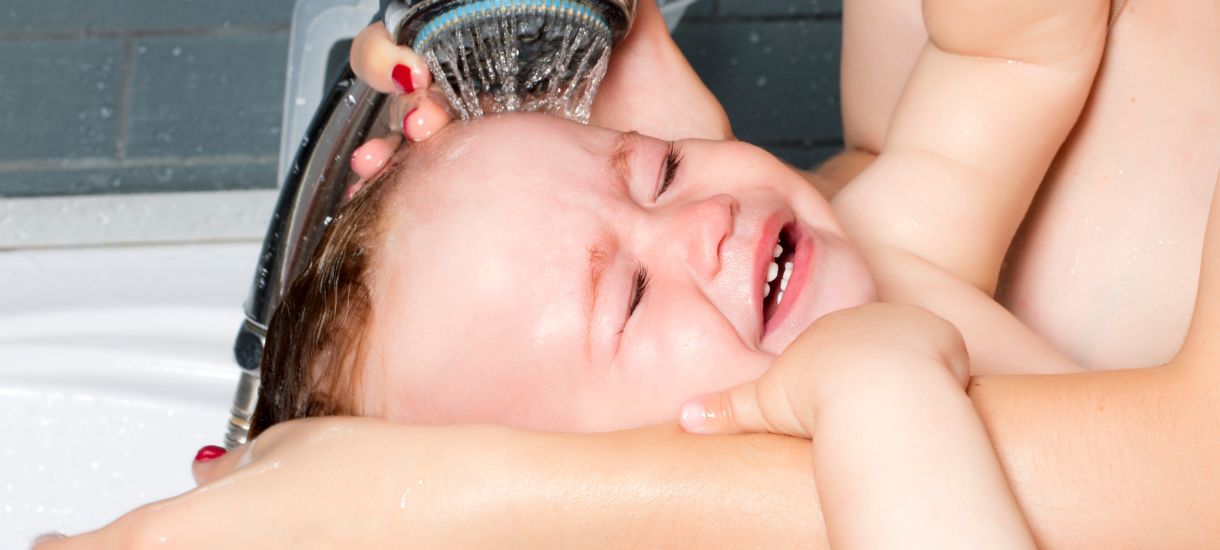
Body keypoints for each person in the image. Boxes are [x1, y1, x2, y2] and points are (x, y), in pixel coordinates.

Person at [39, 0, 1220, 547]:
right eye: (633, 297)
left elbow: (1011, 59)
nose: (698, 224)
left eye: (652, 170)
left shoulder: (884, 248)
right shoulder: (825, 468)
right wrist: (877, 399)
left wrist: (634, 53)